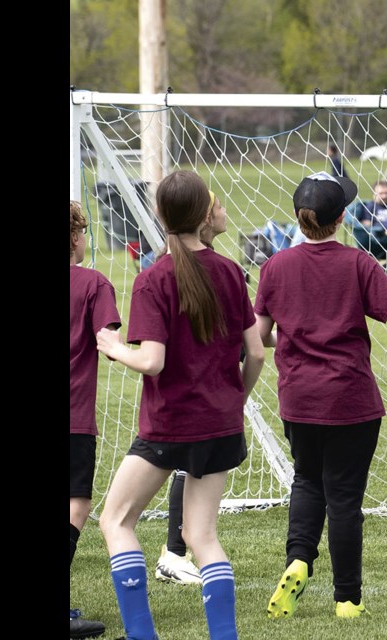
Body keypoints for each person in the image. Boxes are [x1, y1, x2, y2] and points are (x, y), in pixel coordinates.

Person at [256, 172, 387, 619]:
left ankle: (298, 558)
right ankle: (347, 599)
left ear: (300, 219)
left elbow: (260, 336)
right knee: (344, 500)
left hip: (298, 400)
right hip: (350, 401)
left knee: (307, 480)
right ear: (341, 220)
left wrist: (299, 334)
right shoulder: (357, 263)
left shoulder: (274, 267)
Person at [96, 171, 265, 640]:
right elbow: (255, 354)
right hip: (220, 425)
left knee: (116, 519)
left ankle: (141, 634)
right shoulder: (231, 271)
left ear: (159, 215)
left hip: (169, 425)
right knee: (202, 537)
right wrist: (235, 400)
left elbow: (151, 361)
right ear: (205, 216)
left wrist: (113, 348)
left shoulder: (153, 279)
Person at [153, 192, 228, 587]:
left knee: (192, 466)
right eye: (219, 207)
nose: (224, 212)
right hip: (190, 396)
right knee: (188, 465)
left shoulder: (219, 268)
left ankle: (176, 552)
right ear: (203, 218)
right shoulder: (172, 272)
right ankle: (174, 552)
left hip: (207, 390)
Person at [70, 200, 121, 639]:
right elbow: (108, 342)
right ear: (74, 238)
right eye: (84, 233)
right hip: (72, 417)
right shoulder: (93, 283)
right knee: (76, 504)